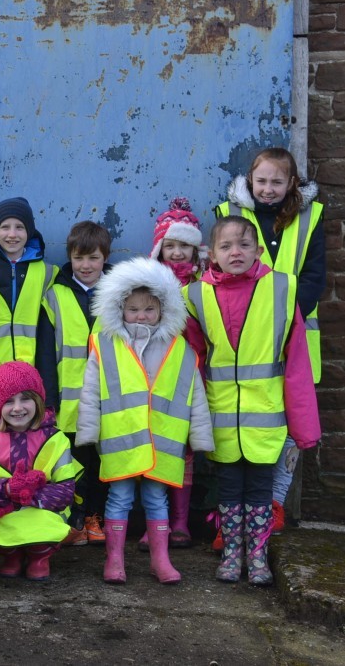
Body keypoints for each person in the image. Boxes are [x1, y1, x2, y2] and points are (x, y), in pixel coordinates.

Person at [183, 216, 321, 586]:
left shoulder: (281, 289)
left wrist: (305, 428)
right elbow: (190, 362)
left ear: (259, 251)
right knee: (228, 487)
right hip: (221, 414)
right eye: (226, 246)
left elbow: (297, 364)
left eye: (244, 245)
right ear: (211, 254)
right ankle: (231, 552)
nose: (235, 252)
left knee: (260, 489)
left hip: (266, 416)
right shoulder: (195, 295)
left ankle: (256, 555)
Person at [76, 258, 213, 584]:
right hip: (121, 438)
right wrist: (88, 430)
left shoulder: (180, 349)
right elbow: (91, 391)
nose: (141, 315)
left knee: (156, 499)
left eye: (149, 309)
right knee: (120, 498)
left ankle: (160, 560)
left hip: (162, 440)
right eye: (134, 309)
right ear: (119, 308)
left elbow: (195, 394)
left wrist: (201, 437)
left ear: (164, 309)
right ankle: (114, 560)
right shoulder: (105, 344)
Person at [216, 147, 325, 534]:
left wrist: (282, 315)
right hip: (245, 344)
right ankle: (230, 516)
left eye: (277, 182)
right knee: (242, 426)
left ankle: (273, 504)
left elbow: (314, 277)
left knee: (288, 430)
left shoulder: (310, 217)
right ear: (250, 180)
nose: (267, 189)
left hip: (295, 341)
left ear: (291, 183)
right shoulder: (230, 215)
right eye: (260, 181)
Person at [0, 361, 82, 581]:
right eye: (8, 401)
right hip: (1, 506)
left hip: (41, 506)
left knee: (42, 524)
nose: (17, 408)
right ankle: (12, 556)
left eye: (25, 398)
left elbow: (65, 489)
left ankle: (39, 557)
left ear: (38, 401)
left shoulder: (55, 439)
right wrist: (7, 489)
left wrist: (25, 496)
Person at [138, 197, 207, 551]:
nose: (177, 252)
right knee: (157, 442)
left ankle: (180, 521)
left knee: (184, 447)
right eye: (171, 245)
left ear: (196, 250)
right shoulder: (148, 282)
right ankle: (156, 521)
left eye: (185, 245)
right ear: (160, 247)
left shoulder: (205, 284)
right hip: (155, 374)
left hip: (190, 375)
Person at [42, 220, 112, 547]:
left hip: (107, 401)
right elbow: (45, 351)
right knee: (70, 463)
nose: (86, 266)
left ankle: (95, 515)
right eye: (79, 257)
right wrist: (48, 399)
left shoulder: (118, 292)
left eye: (94, 258)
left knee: (101, 461)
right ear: (69, 256)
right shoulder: (54, 294)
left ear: (105, 258)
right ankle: (72, 517)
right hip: (67, 402)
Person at [0, 197, 58, 432]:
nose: (12, 234)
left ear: (30, 231)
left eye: (20, 227)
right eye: (5, 227)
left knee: (30, 451)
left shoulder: (47, 273)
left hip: (31, 383)